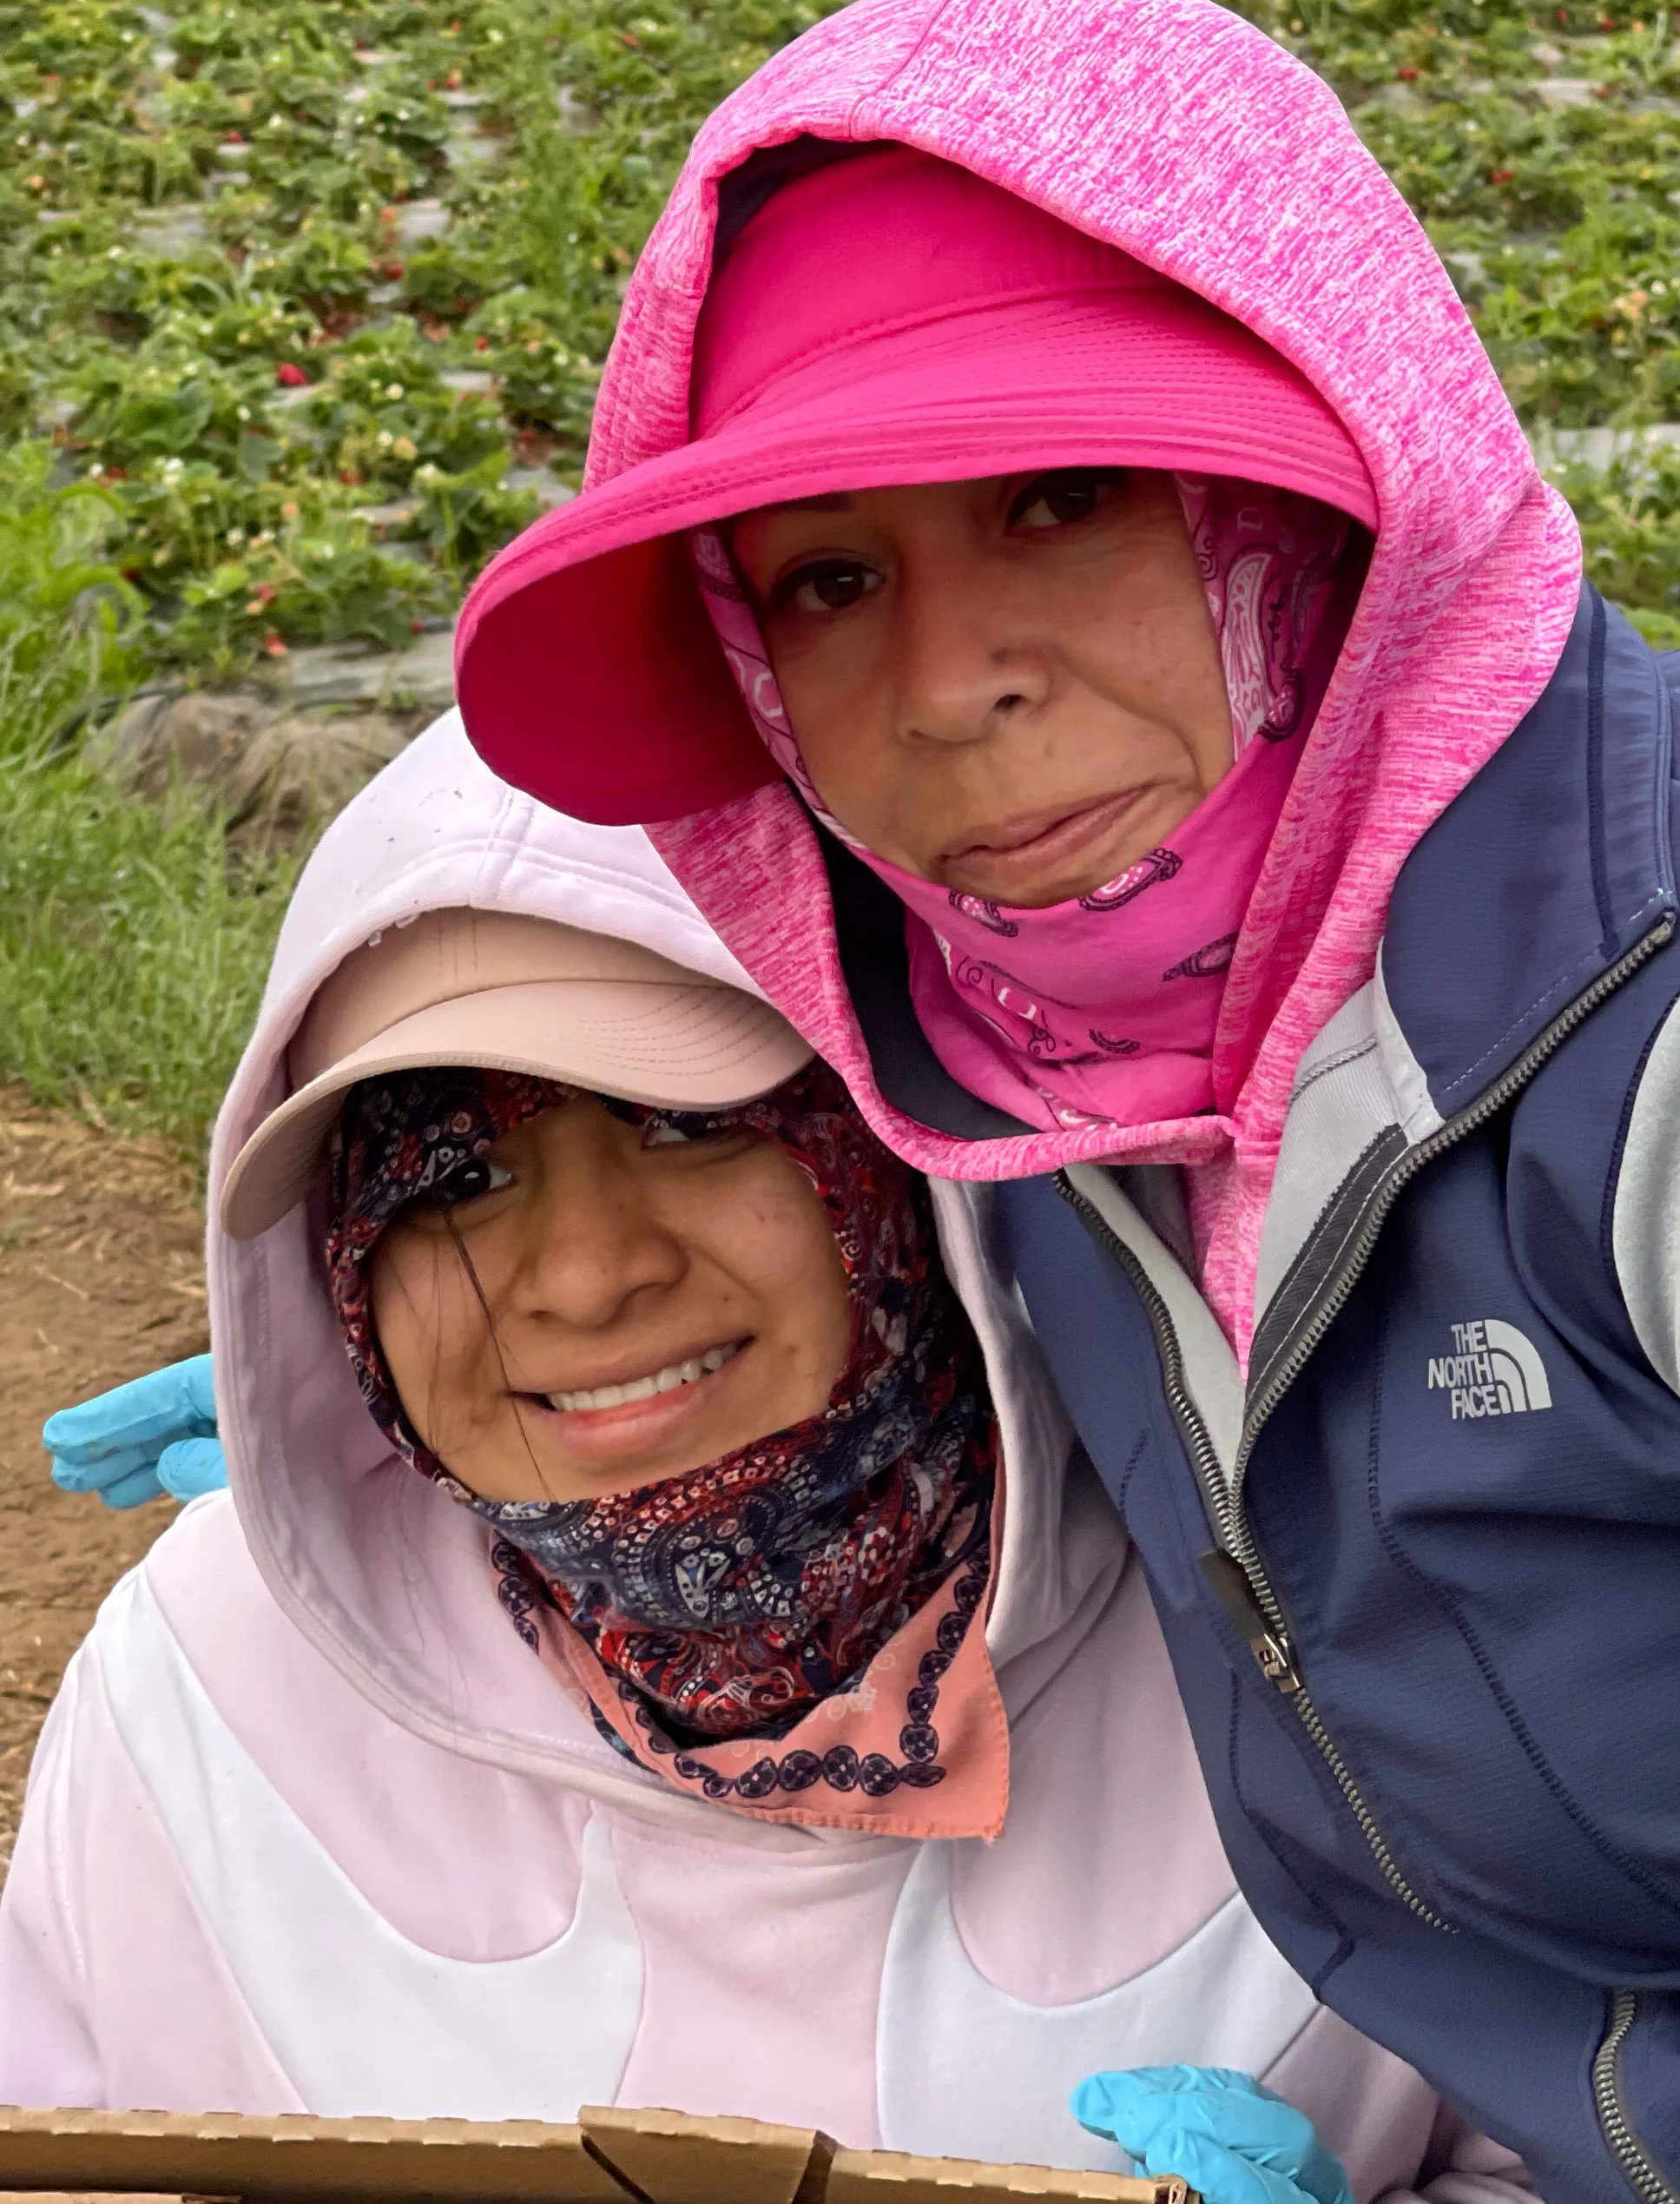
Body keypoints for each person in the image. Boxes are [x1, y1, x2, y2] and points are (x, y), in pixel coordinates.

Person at [452, 0, 1680, 2201]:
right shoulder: (1038, 1099)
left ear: (1312, 491)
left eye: (1060, 495)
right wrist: (362, 1404)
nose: (952, 680)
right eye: (829, 583)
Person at [5, 712, 1527, 2204]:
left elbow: (1640, 2137)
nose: (586, 1277)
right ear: (338, 1266)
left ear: (893, 1155)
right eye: (451, 1179)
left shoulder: (1299, 1630)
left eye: (687, 1123)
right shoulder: (206, 1686)